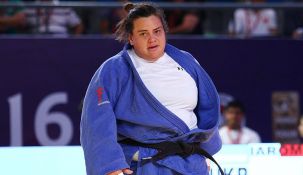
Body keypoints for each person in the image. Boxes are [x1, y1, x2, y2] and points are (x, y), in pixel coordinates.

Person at [81, 2, 222, 175]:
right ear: (131, 38)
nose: (152, 39)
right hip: (146, 164)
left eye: (157, 31)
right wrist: (110, 166)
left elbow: (206, 109)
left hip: (190, 163)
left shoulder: (186, 61)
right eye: (143, 34)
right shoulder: (114, 69)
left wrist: (203, 149)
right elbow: (97, 120)